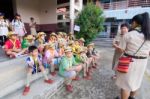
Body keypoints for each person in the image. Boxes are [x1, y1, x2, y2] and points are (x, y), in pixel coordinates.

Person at [115, 12, 150, 99]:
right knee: (136, 82)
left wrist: (117, 46)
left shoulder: (129, 35)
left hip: (129, 62)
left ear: (134, 22)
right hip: (143, 62)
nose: (130, 25)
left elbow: (121, 49)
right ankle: (132, 97)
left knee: (125, 85)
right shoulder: (148, 36)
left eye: (131, 23)